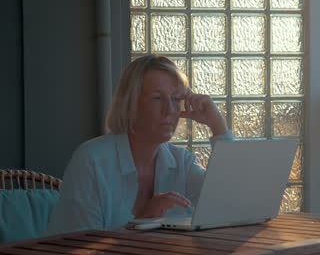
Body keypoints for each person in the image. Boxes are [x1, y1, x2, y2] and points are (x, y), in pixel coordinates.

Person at [46, 54, 233, 235]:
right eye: (157, 98)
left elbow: (233, 202)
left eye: (176, 99)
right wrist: (139, 222)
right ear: (131, 104)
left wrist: (218, 126)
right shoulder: (91, 160)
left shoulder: (182, 162)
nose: (169, 109)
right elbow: (75, 246)